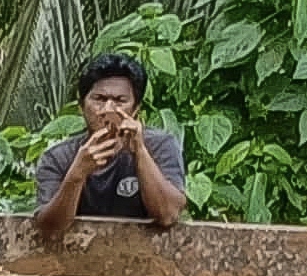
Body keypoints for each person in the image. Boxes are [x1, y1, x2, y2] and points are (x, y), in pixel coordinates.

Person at [26, 51, 189, 242]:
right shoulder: (58, 157)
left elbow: (168, 214)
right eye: (99, 99)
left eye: (120, 101)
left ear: (135, 110)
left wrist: (140, 152)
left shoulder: (161, 145)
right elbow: (49, 227)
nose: (108, 110)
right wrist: (77, 173)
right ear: (81, 106)